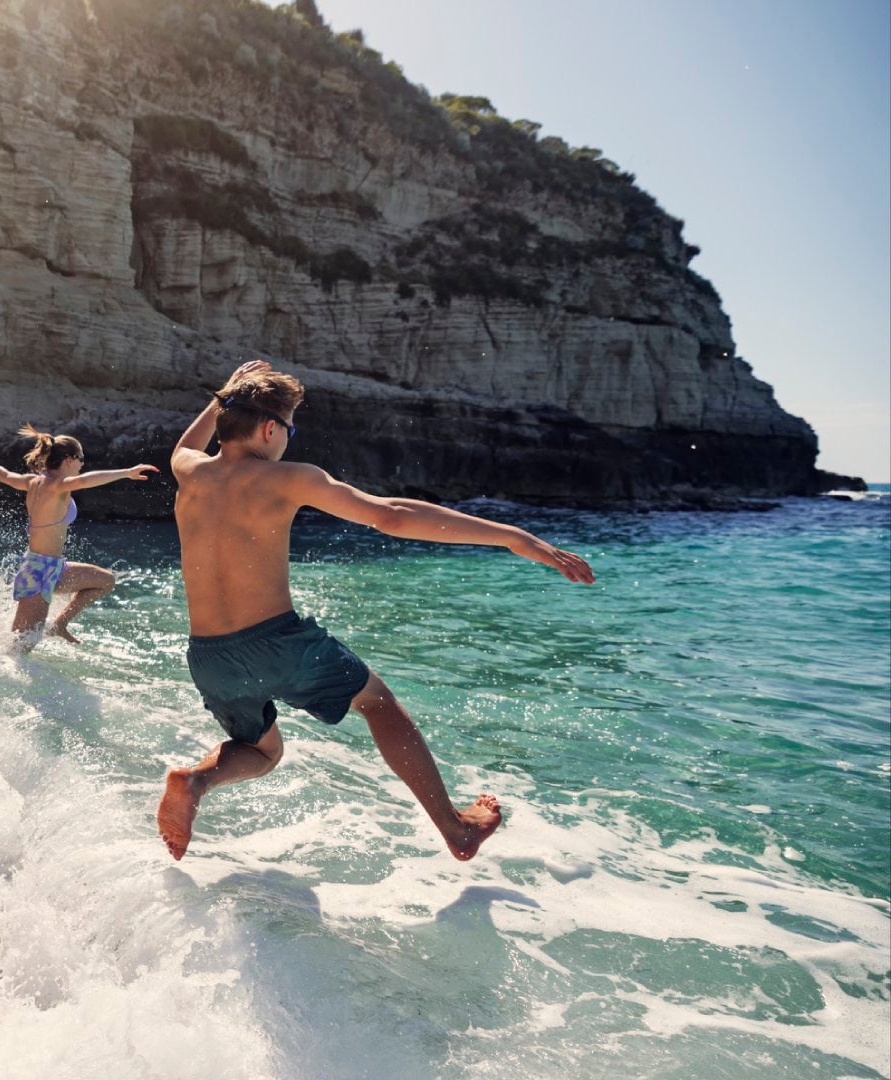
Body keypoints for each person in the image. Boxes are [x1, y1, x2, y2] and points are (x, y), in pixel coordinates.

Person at [156, 360, 595, 861]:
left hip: (209, 654)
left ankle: (195, 782)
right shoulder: (286, 478)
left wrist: (222, 399)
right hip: (275, 640)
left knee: (261, 751)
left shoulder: (190, 472)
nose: (288, 442)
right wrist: (513, 537)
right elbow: (390, 515)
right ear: (270, 428)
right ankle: (456, 828)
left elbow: (184, 447)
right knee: (378, 704)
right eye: (289, 431)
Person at [0, 425, 158, 694]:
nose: (82, 466)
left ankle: (59, 624)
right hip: (38, 572)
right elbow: (87, 480)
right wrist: (126, 473)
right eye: (81, 460)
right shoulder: (58, 484)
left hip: (52, 568)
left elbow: (4, 475)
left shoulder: (32, 481)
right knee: (18, 645)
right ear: (69, 460)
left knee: (104, 580)